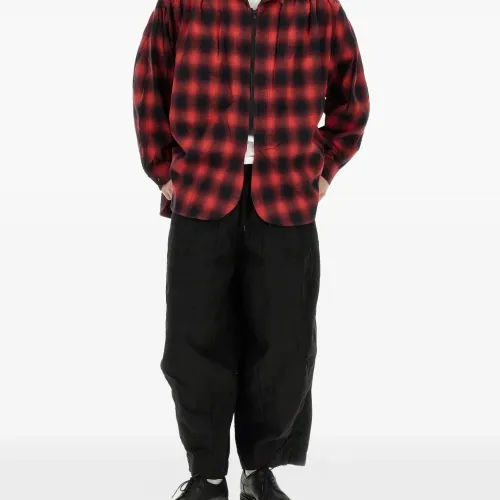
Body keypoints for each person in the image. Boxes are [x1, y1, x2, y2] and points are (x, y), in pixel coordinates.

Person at [132, 0, 369, 498]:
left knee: (285, 343)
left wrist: (325, 167)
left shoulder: (317, 7)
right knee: (194, 341)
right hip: (202, 192)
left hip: (286, 197)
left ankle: (259, 471)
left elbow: (352, 97)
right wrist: (162, 168)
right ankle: (207, 475)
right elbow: (150, 78)